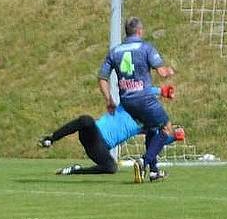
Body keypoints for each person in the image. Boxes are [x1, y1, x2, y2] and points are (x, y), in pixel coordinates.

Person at [38, 86, 184, 181]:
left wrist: (173, 138)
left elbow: (156, 142)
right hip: (93, 133)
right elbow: (146, 91)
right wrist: (162, 91)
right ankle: (51, 139)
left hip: (99, 149)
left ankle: (76, 170)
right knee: (86, 120)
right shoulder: (126, 105)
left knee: (111, 168)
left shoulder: (146, 125)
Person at [98, 17, 176, 182]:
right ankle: (144, 162)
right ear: (140, 31)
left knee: (151, 129)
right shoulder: (146, 48)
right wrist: (169, 70)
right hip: (145, 99)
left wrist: (109, 100)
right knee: (167, 129)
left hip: (127, 102)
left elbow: (102, 78)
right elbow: (161, 72)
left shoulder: (115, 51)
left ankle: (154, 172)